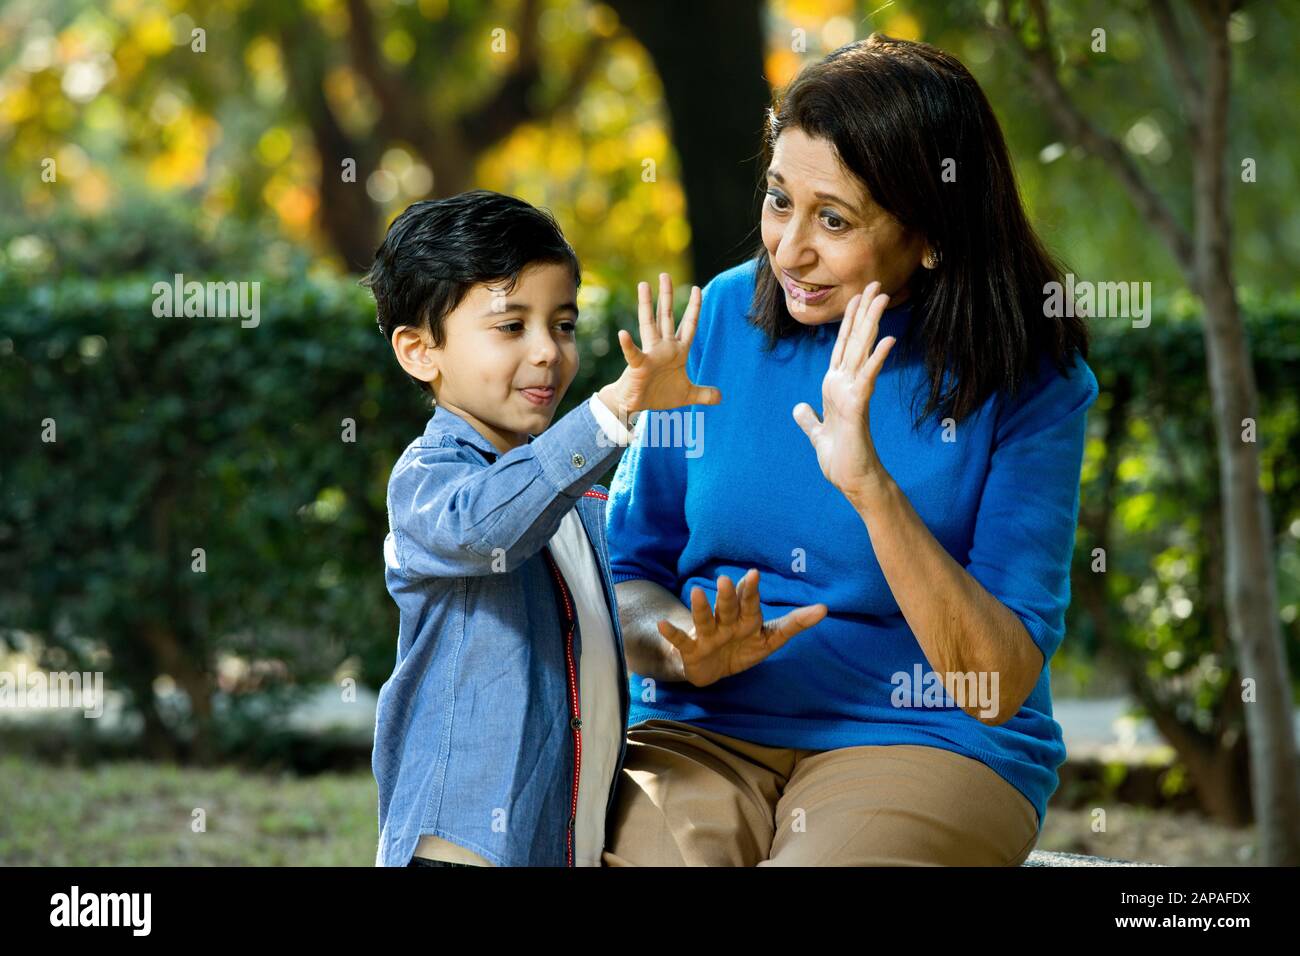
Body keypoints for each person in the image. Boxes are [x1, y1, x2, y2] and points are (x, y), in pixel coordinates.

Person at [603, 34, 1097, 866]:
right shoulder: (722, 318)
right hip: (706, 730)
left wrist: (870, 487)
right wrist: (682, 646)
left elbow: (997, 679)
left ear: (930, 232)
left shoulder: (1027, 378)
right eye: (778, 200)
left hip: (925, 739)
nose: (788, 248)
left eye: (834, 219)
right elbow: (625, 577)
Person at [365, 190, 719, 866]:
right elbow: (488, 528)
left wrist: (692, 649)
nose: (548, 353)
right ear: (418, 351)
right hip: (462, 849)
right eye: (510, 326)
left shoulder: (580, 500)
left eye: (562, 324)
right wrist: (614, 408)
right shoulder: (431, 479)